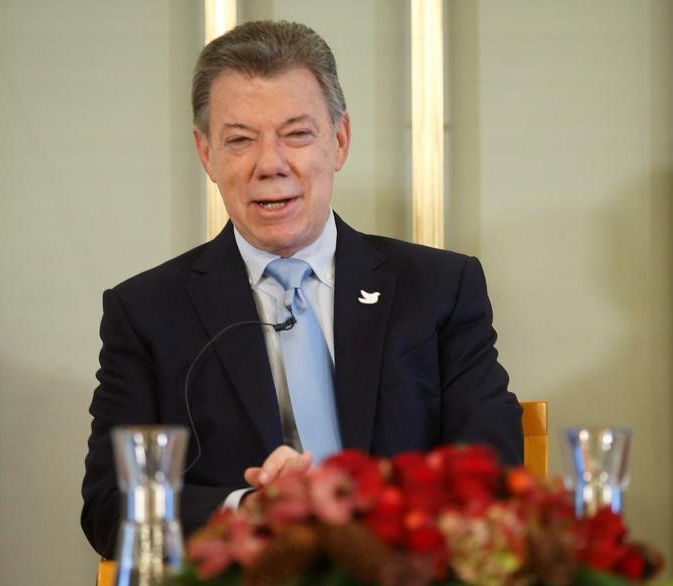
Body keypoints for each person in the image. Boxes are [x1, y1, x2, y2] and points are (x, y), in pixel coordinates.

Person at [81, 20, 522, 559]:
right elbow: (110, 507)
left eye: (297, 134)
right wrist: (249, 510)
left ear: (339, 141)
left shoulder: (441, 288)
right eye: (240, 140)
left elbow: (494, 471)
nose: (270, 164)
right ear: (206, 155)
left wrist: (361, 508)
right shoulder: (145, 313)